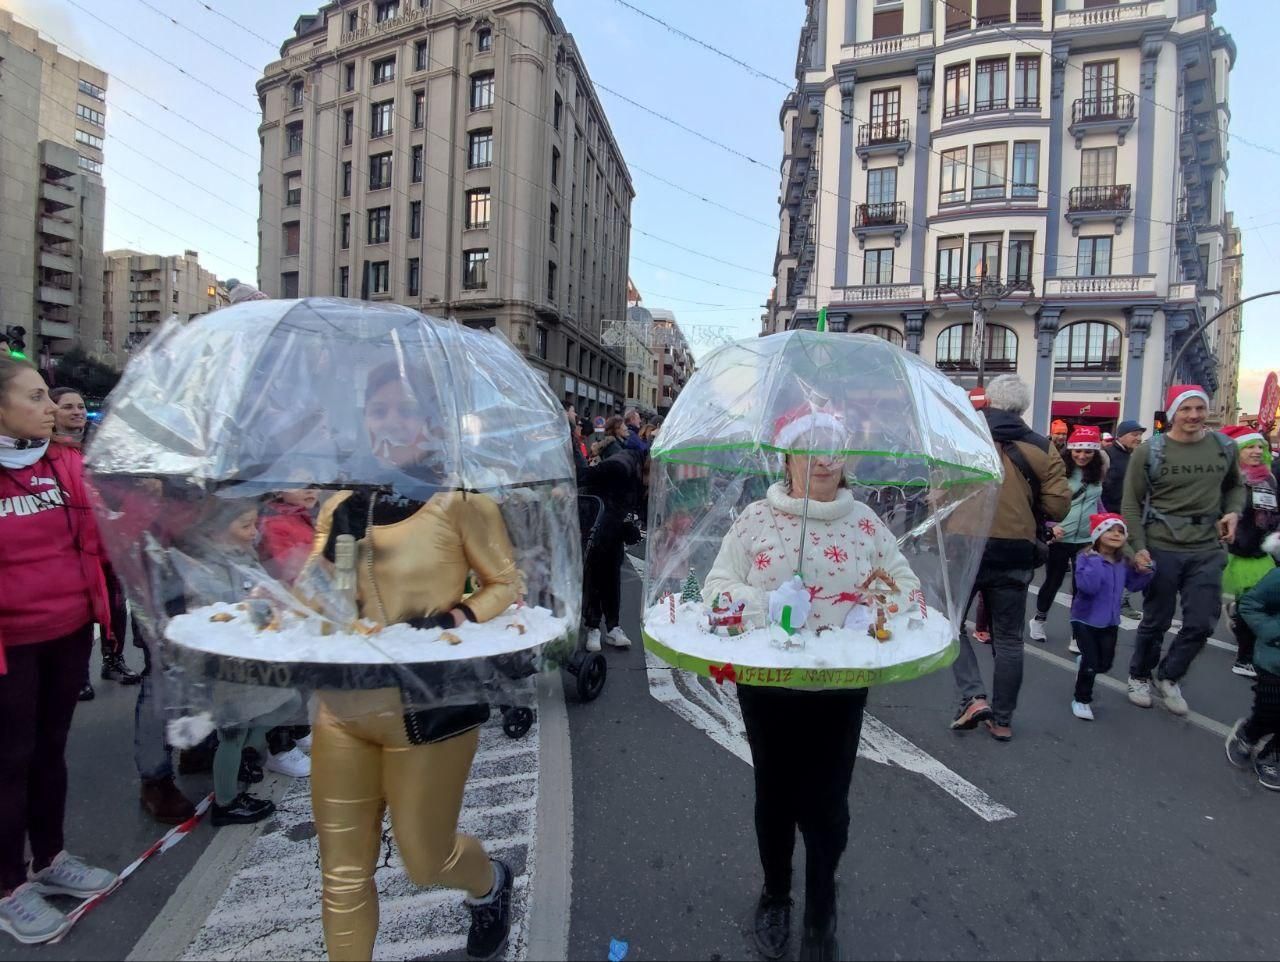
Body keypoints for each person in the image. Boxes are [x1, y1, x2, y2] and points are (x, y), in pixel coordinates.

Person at [305, 362, 519, 962]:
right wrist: (319, 569)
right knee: (342, 875)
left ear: (431, 425)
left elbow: (505, 582)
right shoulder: (344, 506)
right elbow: (334, 601)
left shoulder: (460, 503)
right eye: (379, 412)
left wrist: (458, 617)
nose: (391, 424)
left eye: (405, 412)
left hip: (430, 707)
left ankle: (490, 884)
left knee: (428, 860)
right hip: (344, 709)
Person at [702, 410, 919, 962]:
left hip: (839, 688)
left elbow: (907, 589)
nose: (824, 459)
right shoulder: (755, 519)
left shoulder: (867, 522)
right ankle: (777, 893)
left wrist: (867, 612)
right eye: (811, 447)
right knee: (775, 794)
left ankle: (822, 907)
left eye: (835, 448)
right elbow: (717, 589)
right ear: (787, 456)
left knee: (828, 803)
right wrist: (766, 604)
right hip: (767, 685)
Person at [0, 356, 118, 945]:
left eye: (50, 398)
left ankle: (49, 857)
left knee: (50, 750)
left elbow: (103, 536)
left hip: (69, 633)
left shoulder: (66, 464)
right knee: (8, 761)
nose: (51, 408)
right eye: (36, 397)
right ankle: (7, 885)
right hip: (8, 649)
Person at [950, 375, 1070, 741]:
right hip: (1015, 548)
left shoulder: (965, 437)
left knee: (950, 625)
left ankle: (973, 696)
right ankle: (1001, 719)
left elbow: (941, 489)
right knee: (1007, 638)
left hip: (966, 544)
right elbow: (1058, 506)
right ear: (1023, 408)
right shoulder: (1042, 447)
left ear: (989, 402)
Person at [175, 499, 307, 820]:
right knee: (231, 733)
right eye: (245, 525)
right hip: (225, 668)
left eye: (253, 523)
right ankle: (226, 802)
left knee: (285, 704)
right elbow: (218, 613)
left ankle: (249, 751)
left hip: (250, 659)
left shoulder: (241, 555)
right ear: (220, 528)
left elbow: (259, 589)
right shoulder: (207, 567)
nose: (253, 532)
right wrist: (257, 607)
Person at [1122, 385, 1245, 716]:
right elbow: (1131, 504)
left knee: (1203, 622)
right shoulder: (1149, 451)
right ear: (1173, 412)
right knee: (1156, 620)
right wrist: (1138, 548)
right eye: (1186, 409)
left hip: (1207, 547)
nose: (1193, 415)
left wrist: (1234, 511)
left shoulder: (1224, 448)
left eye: (1199, 409)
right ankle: (1139, 675)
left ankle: (1170, 676)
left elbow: (1236, 486)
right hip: (1162, 546)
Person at [48, 387, 142, 697]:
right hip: (73, 549)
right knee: (83, 612)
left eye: (78, 406)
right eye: (67, 407)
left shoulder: (98, 450)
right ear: (53, 412)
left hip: (107, 542)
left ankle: (113, 660)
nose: (76, 411)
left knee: (115, 605)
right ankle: (78, 674)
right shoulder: (45, 454)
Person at [1068, 514, 1154, 720]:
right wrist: (1097, 561)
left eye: (1120, 531)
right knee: (1091, 663)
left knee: (1104, 664)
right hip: (1084, 620)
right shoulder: (1085, 558)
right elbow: (1088, 587)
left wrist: (1147, 569)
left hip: (1110, 621)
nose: (1116, 534)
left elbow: (1133, 585)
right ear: (1098, 534)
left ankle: (1085, 664)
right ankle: (1081, 699)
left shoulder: (1122, 562)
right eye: (1110, 530)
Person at [1029, 425, 1107, 654]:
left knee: (1082, 587)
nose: (1082, 456)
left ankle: (1076, 633)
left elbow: (1097, 503)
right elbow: (1044, 503)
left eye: (1088, 452)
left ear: (1095, 453)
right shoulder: (1059, 472)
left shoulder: (1098, 474)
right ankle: (1039, 619)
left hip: (1086, 539)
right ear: (1070, 451)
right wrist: (1052, 527)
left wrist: (1107, 524)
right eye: (1077, 451)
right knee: (1052, 581)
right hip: (1060, 537)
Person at [1220, 425, 1280, 678]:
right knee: (1253, 604)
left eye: (1260, 447)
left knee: (1259, 604)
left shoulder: (1269, 478)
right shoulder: (1231, 479)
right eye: (1250, 447)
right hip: (1240, 552)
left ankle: (1240, 622)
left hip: (1266, 551)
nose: (1257, 451)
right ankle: (1244, 658)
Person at [1229, 532, 1280, 790]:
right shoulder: (1277, 579)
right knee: (1270, 710)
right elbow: (1249, 604)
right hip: (1274, 660)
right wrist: (1273, 631)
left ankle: (1274, 756)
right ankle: (1249, 733)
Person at [578, 445, 641, 651]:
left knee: (611, 578)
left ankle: (612, 627)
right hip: (596, 527)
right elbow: (590, 476)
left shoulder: (633, 469)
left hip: (611, 529)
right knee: (596, 578)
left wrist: (627, 528)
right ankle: (594, 626)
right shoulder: (622, 466)